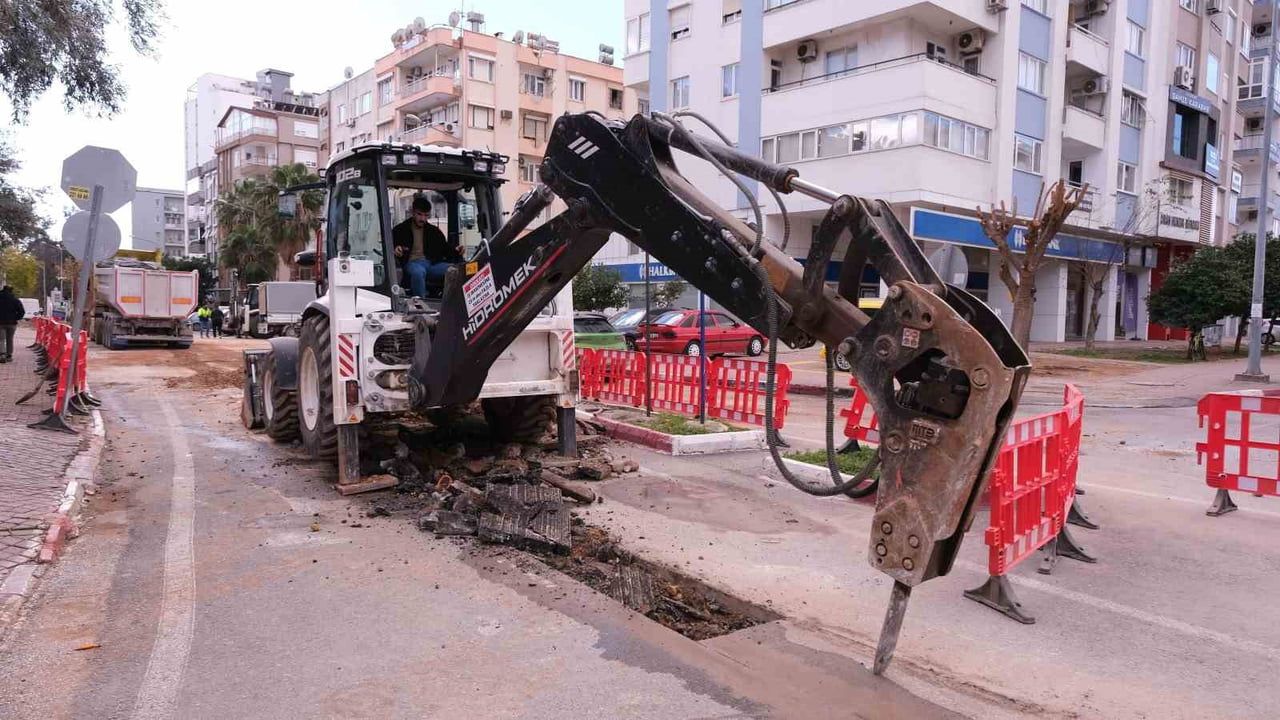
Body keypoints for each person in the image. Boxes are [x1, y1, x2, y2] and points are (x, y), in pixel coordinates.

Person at [392, 195, 463, 299]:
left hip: (431, 265)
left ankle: (451, 301)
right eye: (419, 214)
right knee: (418, 272)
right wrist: (396, 249)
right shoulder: (400, 230)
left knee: (456, 270)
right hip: (411, 263)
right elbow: (391, 245)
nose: (422, 218)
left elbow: (445, 249)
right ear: (413, 212)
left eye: (426, 215)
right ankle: (421, 304)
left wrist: (456, 250)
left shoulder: (434, 232)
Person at [0, 285, 25, 363]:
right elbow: (22, 312)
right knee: (9, 339)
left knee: (1, 339)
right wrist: (16, 318)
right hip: (12, 323)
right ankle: (9, 355)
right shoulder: (15, 300)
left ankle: (2, 355)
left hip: (0, 323)